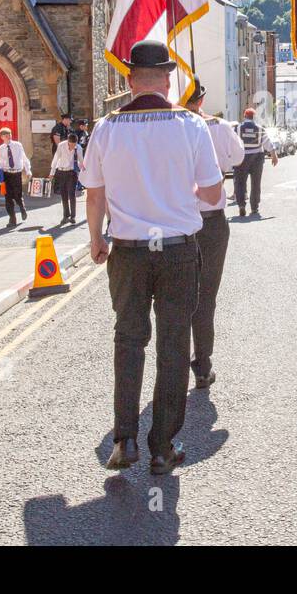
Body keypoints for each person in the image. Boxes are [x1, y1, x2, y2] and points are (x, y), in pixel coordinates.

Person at [81, 40, 224, 475]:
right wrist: (183, 196)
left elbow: (95, 192)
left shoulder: (106, 128)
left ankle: (124, 440)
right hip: (178, 249)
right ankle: (162, 446)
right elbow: (214, 192)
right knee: (174, 343)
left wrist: (95, 239)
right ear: (168, 79)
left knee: (128, 339)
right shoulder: (191, 125)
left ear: (128, 80)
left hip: (128, 250)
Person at [182, 77, 244, 388]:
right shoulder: (218, 126)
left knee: (177, 297)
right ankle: (202, 364)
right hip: (212, 220)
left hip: (178, 222)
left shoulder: (173, 127)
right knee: (206, 297)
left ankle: (175, 364)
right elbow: (239, 157)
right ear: (202, 100)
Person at [233, 106, 278, 217]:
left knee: (240, 182)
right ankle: (254, 208)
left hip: (241, 158)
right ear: (254, 117)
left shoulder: (237, 128)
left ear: (244, 116)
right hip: (256, 158)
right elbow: (267, 142)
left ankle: (241, 205)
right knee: (255, 183)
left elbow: (231, 142)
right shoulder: (259, 128)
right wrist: (274, 155)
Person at [0, 127, 31, 228]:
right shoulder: (1, 148)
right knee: (8, 198)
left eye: (10, 134)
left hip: (16, 174)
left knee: (17, 195)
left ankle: (22, 208)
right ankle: (12, 219)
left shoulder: (18, 145)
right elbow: (1, 161)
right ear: (2, 137)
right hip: (7, 174)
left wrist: (28, 171)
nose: (9, 136)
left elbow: (24, 158)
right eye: (6, 135)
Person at [51, 134, 79, 226]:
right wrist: (52, 172)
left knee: (72, 194)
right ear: (68, 141)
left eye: (74, 145)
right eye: (71, 145)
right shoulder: (61, 145)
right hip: (61, 172)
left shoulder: (78, 148)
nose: (72, 147)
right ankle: (66, 215)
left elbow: (81, 161)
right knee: (63, 195)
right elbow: (55, 159)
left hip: (72, 173)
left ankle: (73, 216)